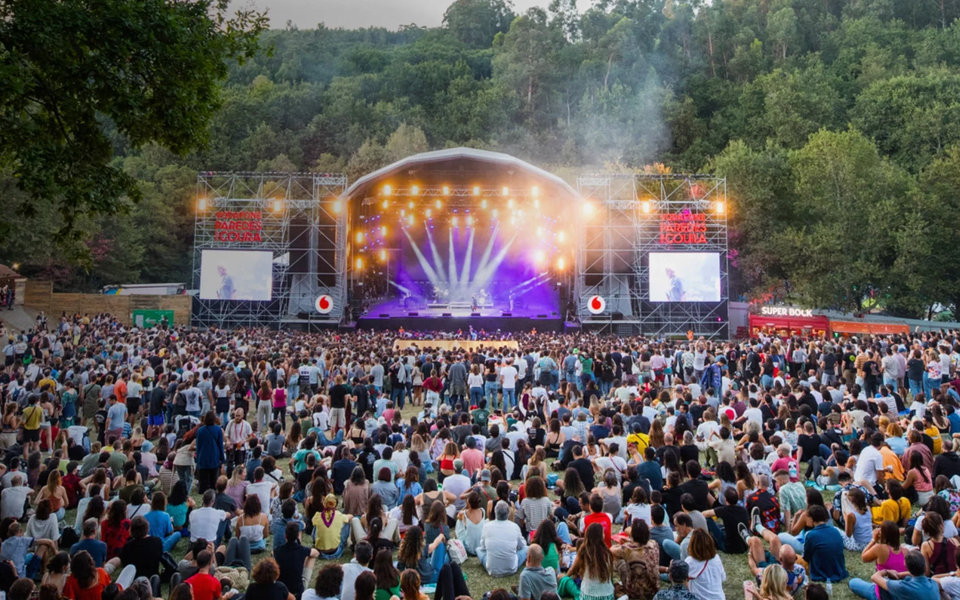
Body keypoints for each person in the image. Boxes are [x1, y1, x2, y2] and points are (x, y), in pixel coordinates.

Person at [560, 522, 614, 600]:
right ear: (601, 536)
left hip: (588, 597)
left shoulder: (584, 550)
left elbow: (572, 570)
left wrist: (565, 579)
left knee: (564, 579)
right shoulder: (608, 552)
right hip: (608, 596)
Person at [611, 519, 659, 600]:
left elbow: (611, 550)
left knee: (620, 561)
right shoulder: (654, 544)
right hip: (653, 592)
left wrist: (627, 543)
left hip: (634, 594)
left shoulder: (627, 549)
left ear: (633, 534)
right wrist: (630, 541)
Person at [477, 500, 528, 577]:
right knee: (527, 548)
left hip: (492, 569)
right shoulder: (514, 527)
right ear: (508, 513)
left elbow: (483, 547)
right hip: (511, 568)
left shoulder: (487, 526)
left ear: (495, 512)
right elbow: (523, 545)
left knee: (478, 549)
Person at [802, 505, 848, 582]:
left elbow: (806, 557)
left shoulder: (810, 534)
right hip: (839, 571)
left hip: (820, 573)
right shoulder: (836, 530)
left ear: (811, 519)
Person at [274, 521, 319, 600]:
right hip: (298, 592)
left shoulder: (278, 550)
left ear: (285, 536)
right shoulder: (302, 550)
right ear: (298, 535)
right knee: (311, 557)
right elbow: (316, 553)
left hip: (281, 590)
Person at [871, 550, 940, 600]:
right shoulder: (933, 583)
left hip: (880, 590)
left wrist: (886, 571)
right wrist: (899, 575)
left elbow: (874, 577)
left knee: (882, 583)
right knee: (907, 579)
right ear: (925, 566)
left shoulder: (904, 587)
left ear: (906, 567)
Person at [683, 529, 726, 600]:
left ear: (693, 545)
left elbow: (682, 582)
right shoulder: (716, 558)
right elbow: (723, 578)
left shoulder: (690, 561)